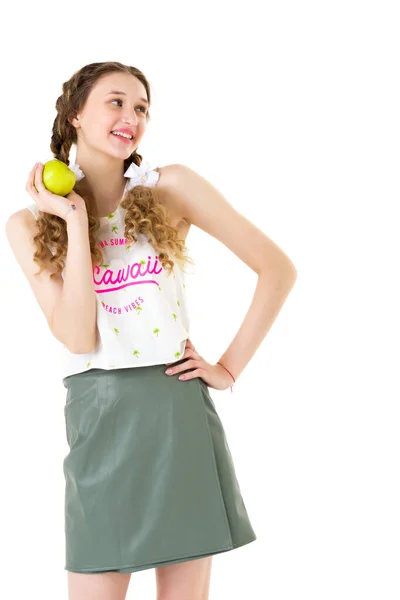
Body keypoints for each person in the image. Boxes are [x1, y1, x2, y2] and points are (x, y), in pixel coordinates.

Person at [5, 61, 297, 600]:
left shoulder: (171, 188)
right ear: (75, 114)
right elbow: (76, 336)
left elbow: (277, 269)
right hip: (97, 417)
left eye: (141, 107)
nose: (131, 117)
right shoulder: (28, 224)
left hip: (176, 412)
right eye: (116, 102)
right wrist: (72, 221)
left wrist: (227, 367)